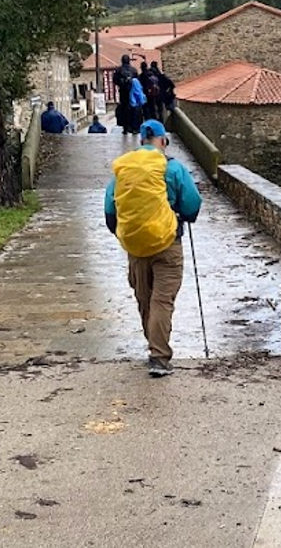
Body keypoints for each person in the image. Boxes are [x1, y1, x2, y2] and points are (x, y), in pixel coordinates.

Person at [105, 120, 202, 377]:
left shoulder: (124, 169)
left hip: (136, 246)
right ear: (163, 141)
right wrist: (181, 215)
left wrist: (127, 234)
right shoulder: (172, 167)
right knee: (162, 300)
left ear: (141, 141)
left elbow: (109, 210)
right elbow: (192, 204)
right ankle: (159, 357)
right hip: (168, 243)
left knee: (145, 299)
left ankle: (154, 346)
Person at [113, 55, 141, 135]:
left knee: (124, 109)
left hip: (123, 92)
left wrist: (121, 84)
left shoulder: (118, 70)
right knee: (133, 109)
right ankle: (134, 128)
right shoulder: (134, 70)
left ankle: (125, 128)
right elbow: (137, 81)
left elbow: (115, 80)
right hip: (132, 92)